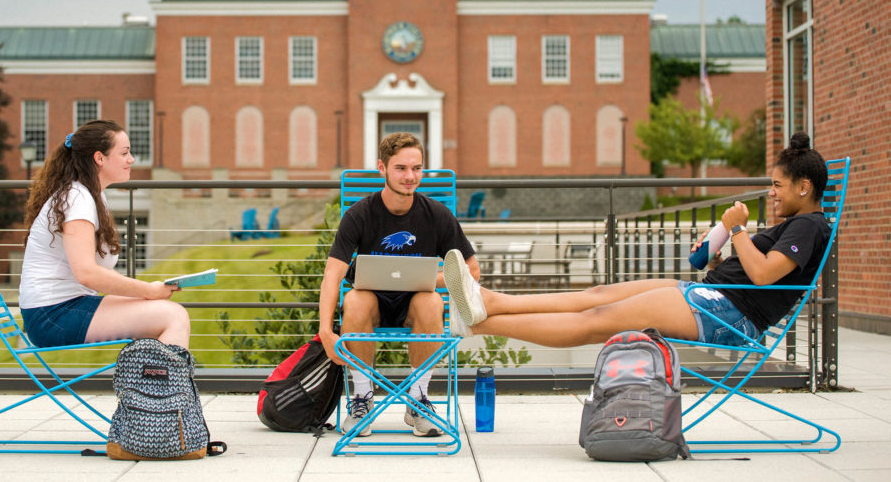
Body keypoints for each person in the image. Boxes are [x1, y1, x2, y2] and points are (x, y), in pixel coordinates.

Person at [443, 132, 831, 353]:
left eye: (778, 186)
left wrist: (736, 230)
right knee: (597, 293)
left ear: (804, 186)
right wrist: (720, 252)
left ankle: (477, 324)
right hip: (714, 296)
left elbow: (763, 277)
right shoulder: (799, 224)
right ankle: (486, 301)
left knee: (595, 321)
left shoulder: (809, 227)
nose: (772, 193)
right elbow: (756, 275)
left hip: (728, 316)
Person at [318, 132, 479, 438]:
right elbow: (333, 274)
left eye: (417, 168)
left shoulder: (437, 215)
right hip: (372, 307)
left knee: (432, 300)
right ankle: (362, 399)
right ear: (382, 168)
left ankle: (418, 401)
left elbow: (471, 269)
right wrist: (326, 330)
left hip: (415, 307)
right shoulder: (359, 214)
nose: (410, 176)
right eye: (401, 168)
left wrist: (429, 278)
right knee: (354, 299)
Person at [18, 119, 190, 349]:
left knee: (159, 312)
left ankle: (149, 384)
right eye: (124, 153)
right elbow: (87, 273)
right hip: (52, 315)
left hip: (68, 306)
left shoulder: (92, 196)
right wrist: (149, 290)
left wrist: (147, 294)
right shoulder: (77, 198)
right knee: (173, 316)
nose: (132, 159)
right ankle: (170, 386)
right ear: (99, 158)